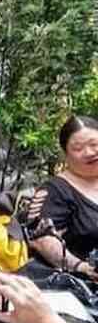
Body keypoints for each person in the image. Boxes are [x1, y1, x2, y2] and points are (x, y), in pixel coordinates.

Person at [27, 115, 98, 278]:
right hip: (79, 285)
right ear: (66, 155)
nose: (89, 153)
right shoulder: (55, 190)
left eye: (94, 144)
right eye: (78, 148)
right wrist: (81, 267)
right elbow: (42, 239)